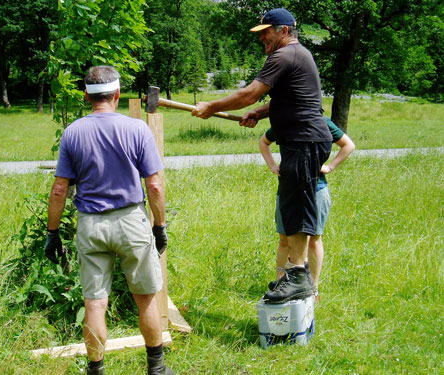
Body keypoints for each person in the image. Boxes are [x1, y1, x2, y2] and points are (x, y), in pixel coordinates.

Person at [192, 8, 332, 303]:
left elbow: (249, 93)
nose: (261, 38)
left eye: (265, 32)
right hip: (300, 142)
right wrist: (261, 112)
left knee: (299, 210)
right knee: (292, 208)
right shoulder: (296, 56)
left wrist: (212, 107)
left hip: (305, 141)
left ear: (283, 31)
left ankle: (297, 277)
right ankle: (295, 275)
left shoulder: (284, 56)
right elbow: (289, 99)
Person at [44, 66, 173, 375]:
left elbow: (61, 187)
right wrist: (159, 226)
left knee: (95, 304)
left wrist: (52, 232)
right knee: (146, 299)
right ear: (117, 94)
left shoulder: (73, 132)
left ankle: (96, 370)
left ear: (87, 96)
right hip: (131, 221)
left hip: (91, 225)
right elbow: (154, 185)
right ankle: (156, 369)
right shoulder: (137, 129)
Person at [260, 118, 355, 302]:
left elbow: (348, 145)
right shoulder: (284, 121)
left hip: (317, 189)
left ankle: (313, 287)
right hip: (287, 188)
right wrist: (272, 165)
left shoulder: (323, 123)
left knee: (314, 239)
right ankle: (281, 284)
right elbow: (263, 142)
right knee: (284, 239)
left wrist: (330, 167)